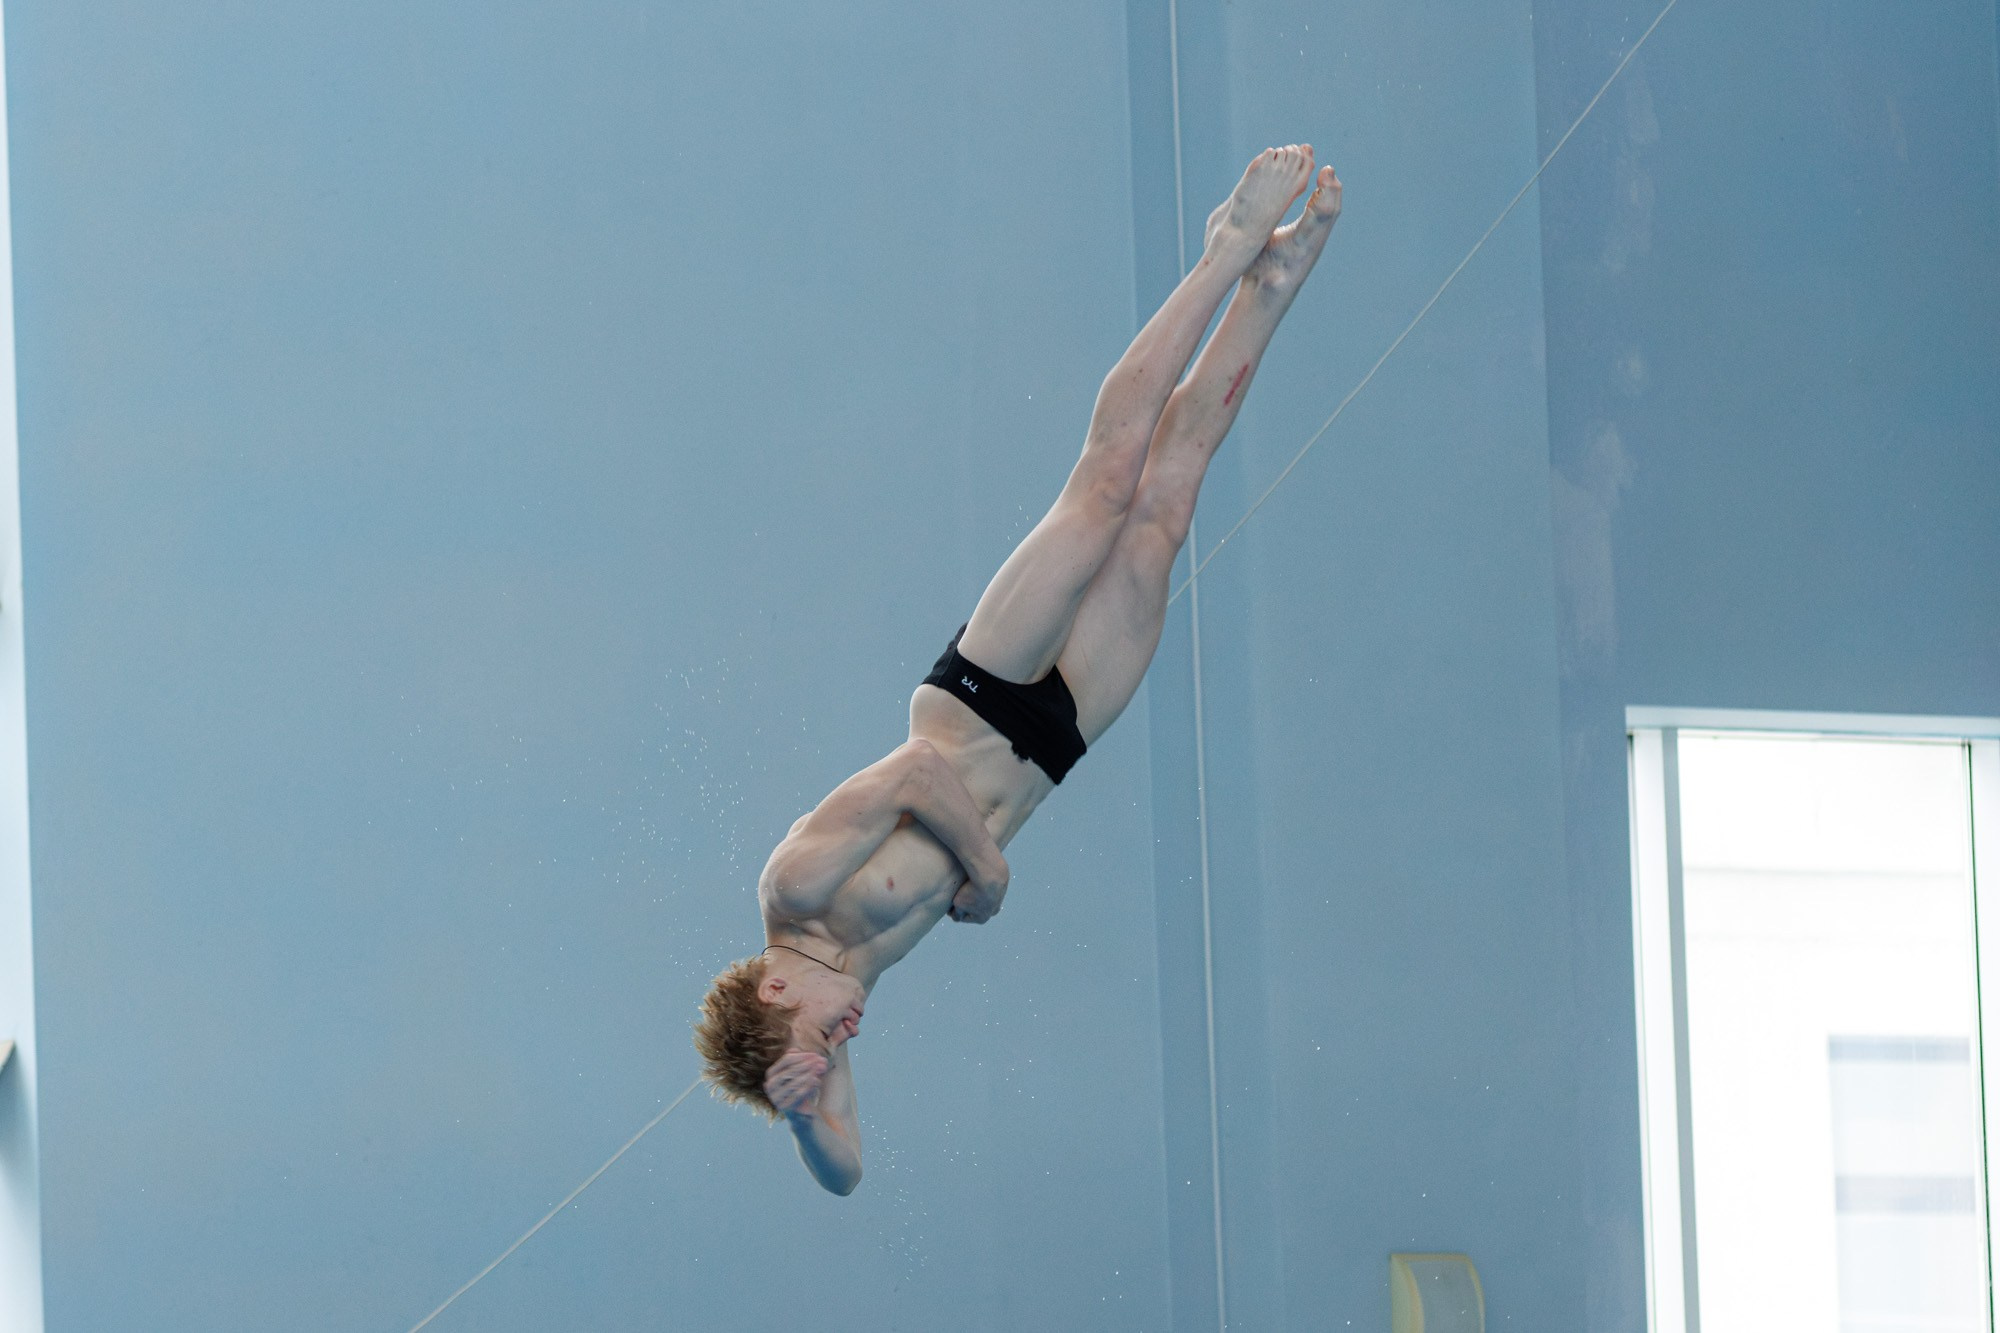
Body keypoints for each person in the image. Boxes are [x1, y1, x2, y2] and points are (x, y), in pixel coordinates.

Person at [694, 145, 1341, 1194]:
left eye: (821, 1035)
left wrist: (987, 874)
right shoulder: (834, 995)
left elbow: (910, 777)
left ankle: (1223, 253)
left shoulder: (795, 888)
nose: (849, 1031)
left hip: (978, 699)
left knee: (1102, 487)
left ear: (771, 989)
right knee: (1163, 517)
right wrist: (807, 1115)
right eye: (835, 1053)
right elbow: (846, 1174)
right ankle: (1272, 290)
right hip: (1050, 749)